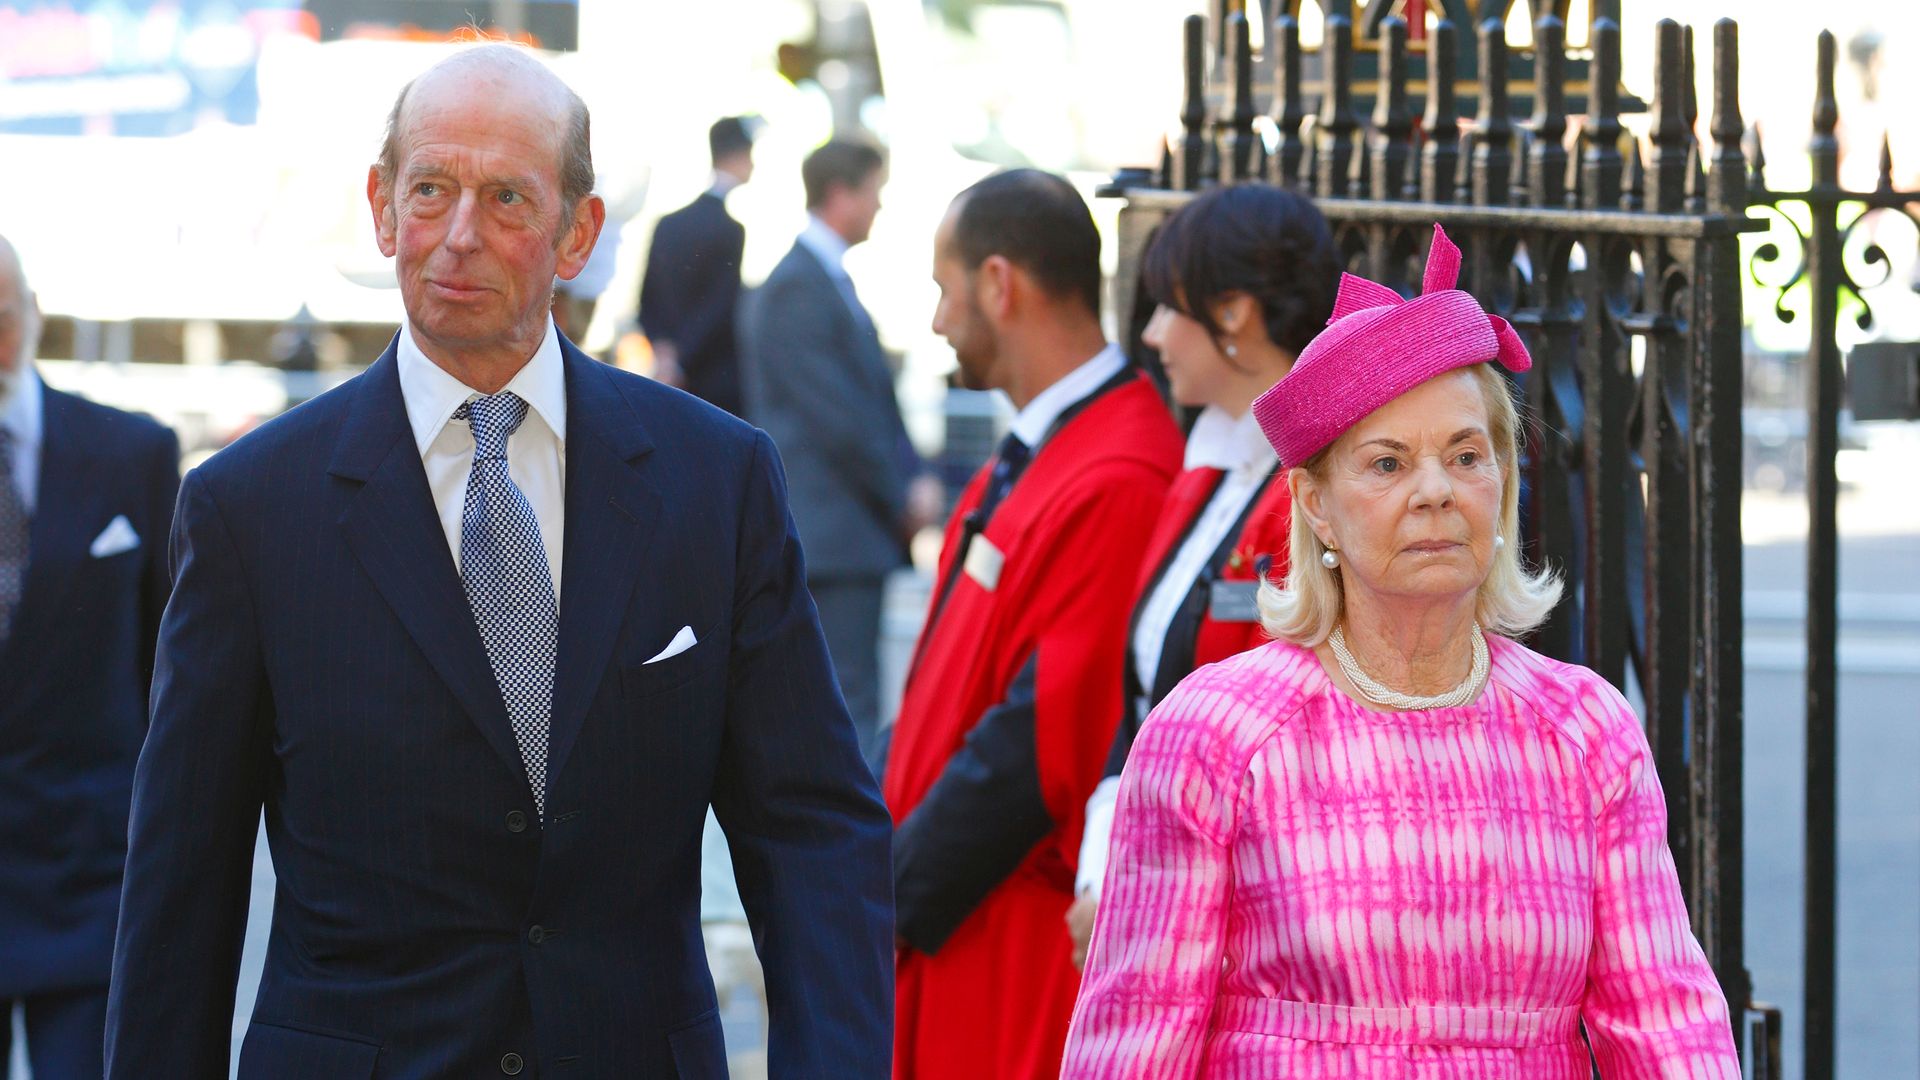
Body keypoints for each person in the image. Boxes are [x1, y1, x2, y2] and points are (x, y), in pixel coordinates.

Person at [105, 45, 892, 1079]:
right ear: (383, 208)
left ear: (578, 232)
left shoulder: (717, 481)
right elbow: (182, 888)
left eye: (507, 199)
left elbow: (810, 829)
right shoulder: (250, 507)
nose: (457, 237)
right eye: (430, 191)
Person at [1061, 224, 1740, 1078]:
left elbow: (1668, 1022)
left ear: (1504, 480)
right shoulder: (1216, 734)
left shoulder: (1586, 729)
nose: (1435, 492)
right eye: (1387, 464)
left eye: (1467, 455)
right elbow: (1134, 1046)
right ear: (1314, 505)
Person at [884, 169, 1184, 1080]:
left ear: (999, 285)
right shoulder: (1039, 453)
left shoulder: (1120, 469)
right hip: (953, 921)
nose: (938, 321)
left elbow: (1043, 739)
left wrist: (885, 896)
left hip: (1000, 940)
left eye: (945, 289)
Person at [1063, 184, 1339, 968]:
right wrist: (1100, 874)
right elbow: (1142, 700)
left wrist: (1128, 893)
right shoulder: (1211, 466)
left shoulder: (1310, 497)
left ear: (1233, 314)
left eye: (1165, 307)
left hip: (1221, 930)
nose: (1150, 334)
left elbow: (1272, 753)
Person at [0, 235, 179, 1079]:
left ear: (31, 312)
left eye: (2, 312)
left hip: (93, 872)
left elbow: (173, 668)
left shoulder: (131, 453)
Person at [739, 138, 939, 750]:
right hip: (835, 533)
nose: (879, 205)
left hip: (842, 529)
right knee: (845, 706)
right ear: (840, 194)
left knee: (841, 700)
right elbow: (841, 420)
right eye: (873, 191)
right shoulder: (800, 284)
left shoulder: (820, 279)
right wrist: (901, 493)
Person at [638, 115, 758, 414]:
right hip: (713, 380)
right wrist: (679, 360)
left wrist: (665, 356)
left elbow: (647, 299)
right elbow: (720, 305)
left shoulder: (668, 223)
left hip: (670, 375)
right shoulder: (730, 229)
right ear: (739, 156)